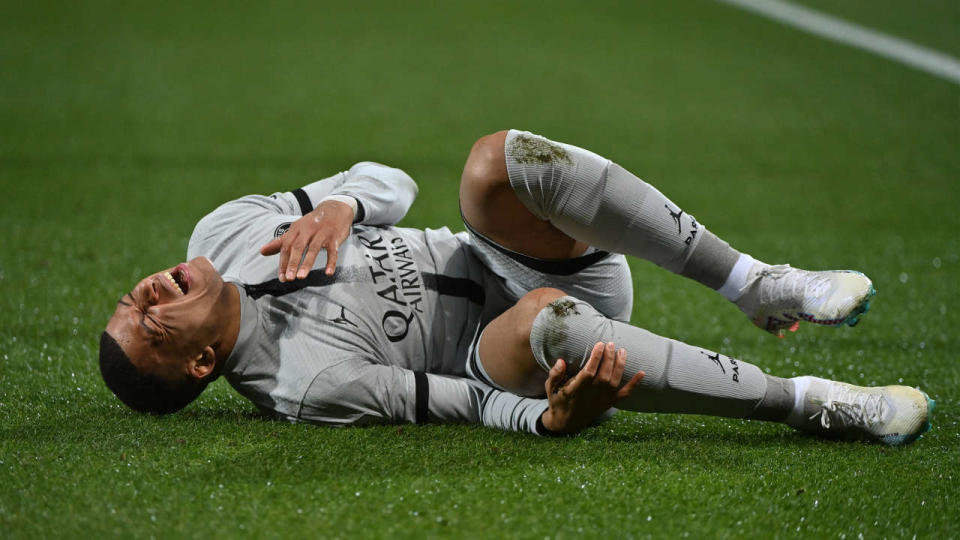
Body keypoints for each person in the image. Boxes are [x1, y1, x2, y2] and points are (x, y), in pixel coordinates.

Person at [100, 129, 934, 444]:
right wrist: (547, 416)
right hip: (513, 352)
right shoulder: (302, 383)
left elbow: (391, 179)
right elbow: (450, 400)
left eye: (133, 300)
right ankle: (815, 402)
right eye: (152, 322)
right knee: (542, 320)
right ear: (204, 362)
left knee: (494, 162)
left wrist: (345, 202)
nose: (144, 295)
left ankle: (756, 284)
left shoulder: (221, 233)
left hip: (529, 258)